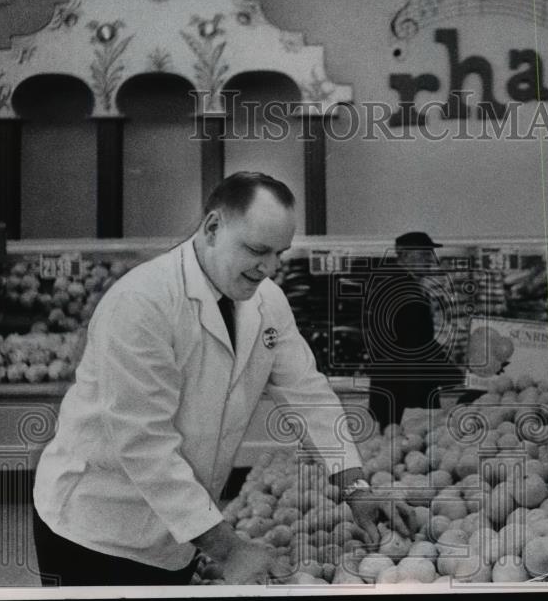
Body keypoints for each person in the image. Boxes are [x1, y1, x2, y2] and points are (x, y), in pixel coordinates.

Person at [32, 172, 414, 586]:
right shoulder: (142, 303)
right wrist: (229, 550)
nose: (268, 268)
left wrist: (355, 485)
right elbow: (144, 445)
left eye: (279, 254)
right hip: (97, 529)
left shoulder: (267, 301)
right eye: (256, 250)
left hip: (179, 533)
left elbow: (308, 395)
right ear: (213, 227)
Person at [364, 232, 463, 429]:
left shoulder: (389, 282)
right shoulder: (403, 289)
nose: (431, 260)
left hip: (391, 386)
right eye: (425, 254)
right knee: (408, 446)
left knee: (392, 447)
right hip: (406, 391)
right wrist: (453, 373)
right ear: (405, 255)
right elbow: (416, 341)